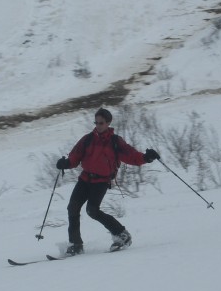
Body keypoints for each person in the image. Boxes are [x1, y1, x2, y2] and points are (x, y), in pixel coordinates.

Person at [56, 108, 160, 255]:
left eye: (101, 123)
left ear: (108, 123)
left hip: (101, 181)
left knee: (92, 211)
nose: (98, 125)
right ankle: (76, 244)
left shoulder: (115, 142)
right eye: (96, 122)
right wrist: (65, 163)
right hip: (85, 178)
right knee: (72, 208)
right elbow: (75, 156)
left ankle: (122, 234)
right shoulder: (87, 139)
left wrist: (146, 158)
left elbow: (131, 156)